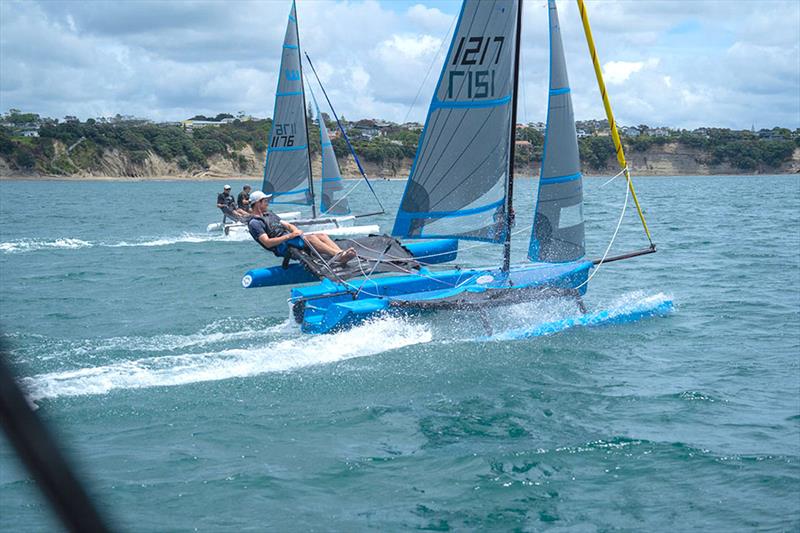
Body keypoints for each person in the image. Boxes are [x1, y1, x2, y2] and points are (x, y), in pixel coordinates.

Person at [247, 190, 357, 264]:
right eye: (265, 201)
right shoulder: (255, 223)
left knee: (321, 235)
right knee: (311, 238)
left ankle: (341, 253)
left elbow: (288, 225)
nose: (267, 203)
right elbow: (267, 242)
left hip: (291, 239)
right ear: (257, 203)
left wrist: (295, 231)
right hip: (281, 247)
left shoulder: (269, 214)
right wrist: (289, 236)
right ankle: (338, 256)